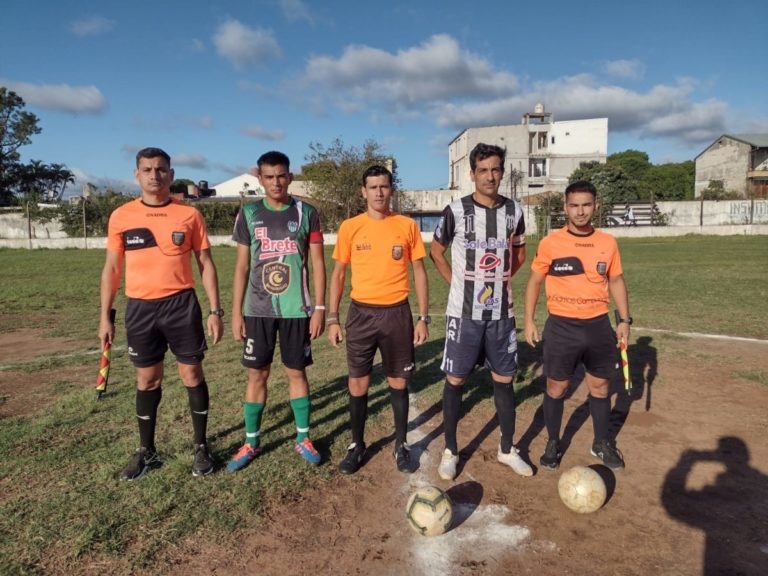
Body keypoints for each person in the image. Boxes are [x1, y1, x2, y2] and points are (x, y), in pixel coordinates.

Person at [99, 147, 224, 480]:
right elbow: (112, 268)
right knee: (146, 379)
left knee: (192, 375)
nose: (154, 175)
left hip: (181, 306)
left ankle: (200, 446)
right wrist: (103, 317)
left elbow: (206, 264)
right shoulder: (121, 216)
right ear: (136, 174)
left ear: (170, 173)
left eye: (160, 169)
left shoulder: (189, 215)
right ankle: (146, 451)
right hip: (140, 308)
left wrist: (215, 310)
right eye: (147, 169)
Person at [430, 142, 532, 481]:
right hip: (464, 313)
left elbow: (519, 254)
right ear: (472, 174)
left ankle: (506, 449)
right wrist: (457, 285)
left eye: (496, 169)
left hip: (501, 314)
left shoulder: (514, 212)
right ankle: (450, 451)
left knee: (504, 380)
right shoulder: (456, 211)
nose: (490, 176)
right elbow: (437, 252)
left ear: (503, 172)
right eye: (483, 170)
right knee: (456, 379)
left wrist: (499, 283)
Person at [227, 151, 326, 472]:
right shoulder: (249, 214)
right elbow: (242, 267)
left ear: (290, 177)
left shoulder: (307, 212)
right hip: (257, 310)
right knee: (258, 373)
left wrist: (320, 308)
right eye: (269, 177)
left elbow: (319, 264)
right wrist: (235, 312)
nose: (276, 182)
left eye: (281, 176)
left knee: (297, 371)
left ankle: (303, 437)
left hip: (297, 309)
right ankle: (251, 441)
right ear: (260, 179)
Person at [327, 164, 429, 475]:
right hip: (361, 314)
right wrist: (332, 317)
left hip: (397, 313)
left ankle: (401, 444)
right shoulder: (350, 227)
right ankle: (357, 445)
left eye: (384, 186)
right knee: (358, 381)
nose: (379, 192)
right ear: (363, 191)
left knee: (399, 381)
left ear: (391, 190)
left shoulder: (407, 226)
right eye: (373, 187)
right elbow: (339, 273)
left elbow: (420, 271)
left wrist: (423, 317)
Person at [524, 180, 631, 471]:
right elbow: (534, 281)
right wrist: (530, 320)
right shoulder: (550, 243)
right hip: (561, 326)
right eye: (574, 205)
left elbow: (616, 280)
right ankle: (553, 442)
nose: (580, 211)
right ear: (565, 207)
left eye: (586, 205)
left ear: (595, 205)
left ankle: (601, 443)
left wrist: (624, 320)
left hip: (598, 325)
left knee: (600, 385)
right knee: (556, 386)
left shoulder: (608, 243)